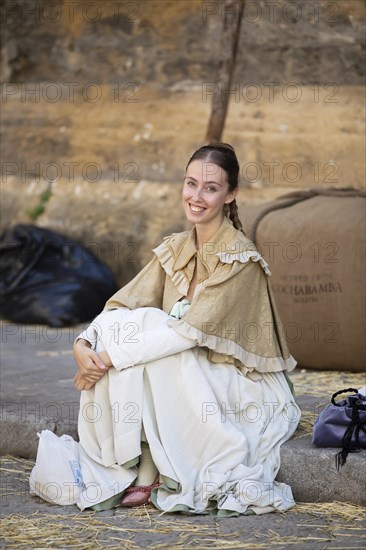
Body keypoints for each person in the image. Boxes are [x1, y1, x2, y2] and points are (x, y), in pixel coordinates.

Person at [72, 143, 300, 516]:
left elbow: (187, 334)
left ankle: (150, 469)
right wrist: (84, 346)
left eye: (210, 188)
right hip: (188, 367)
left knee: (157, 333)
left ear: (231, 195)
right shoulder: (177, 247)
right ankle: (137, 457)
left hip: (242, 382)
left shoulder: (239, 258)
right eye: (191, 184)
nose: (196, 197)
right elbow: (122, 304)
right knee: (134, 322)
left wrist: (108, 360)